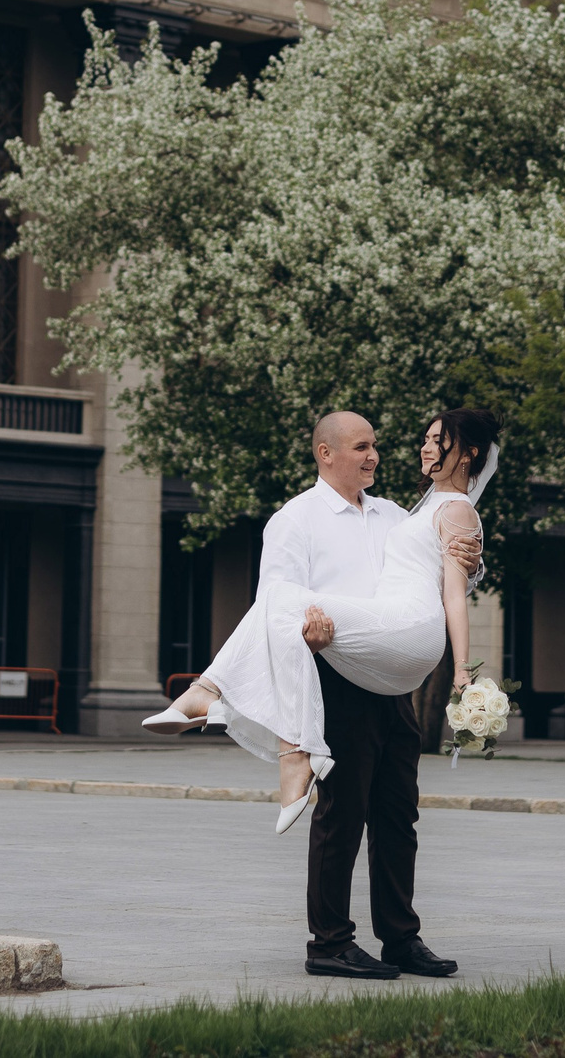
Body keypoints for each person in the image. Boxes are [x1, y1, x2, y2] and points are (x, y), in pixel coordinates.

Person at [145, 407, 500, 980]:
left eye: (376, 445)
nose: (374, 456)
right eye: (361, 447)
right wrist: (310, 632)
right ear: (325, 453)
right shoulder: (296, 518)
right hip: (333, 678)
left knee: (397, 816)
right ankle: (330, 942)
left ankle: (401, 939)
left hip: (389, 676)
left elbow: (438, 563)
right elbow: (276, 600)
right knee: (343, 813)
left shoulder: (392, 513)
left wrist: (473, 561)